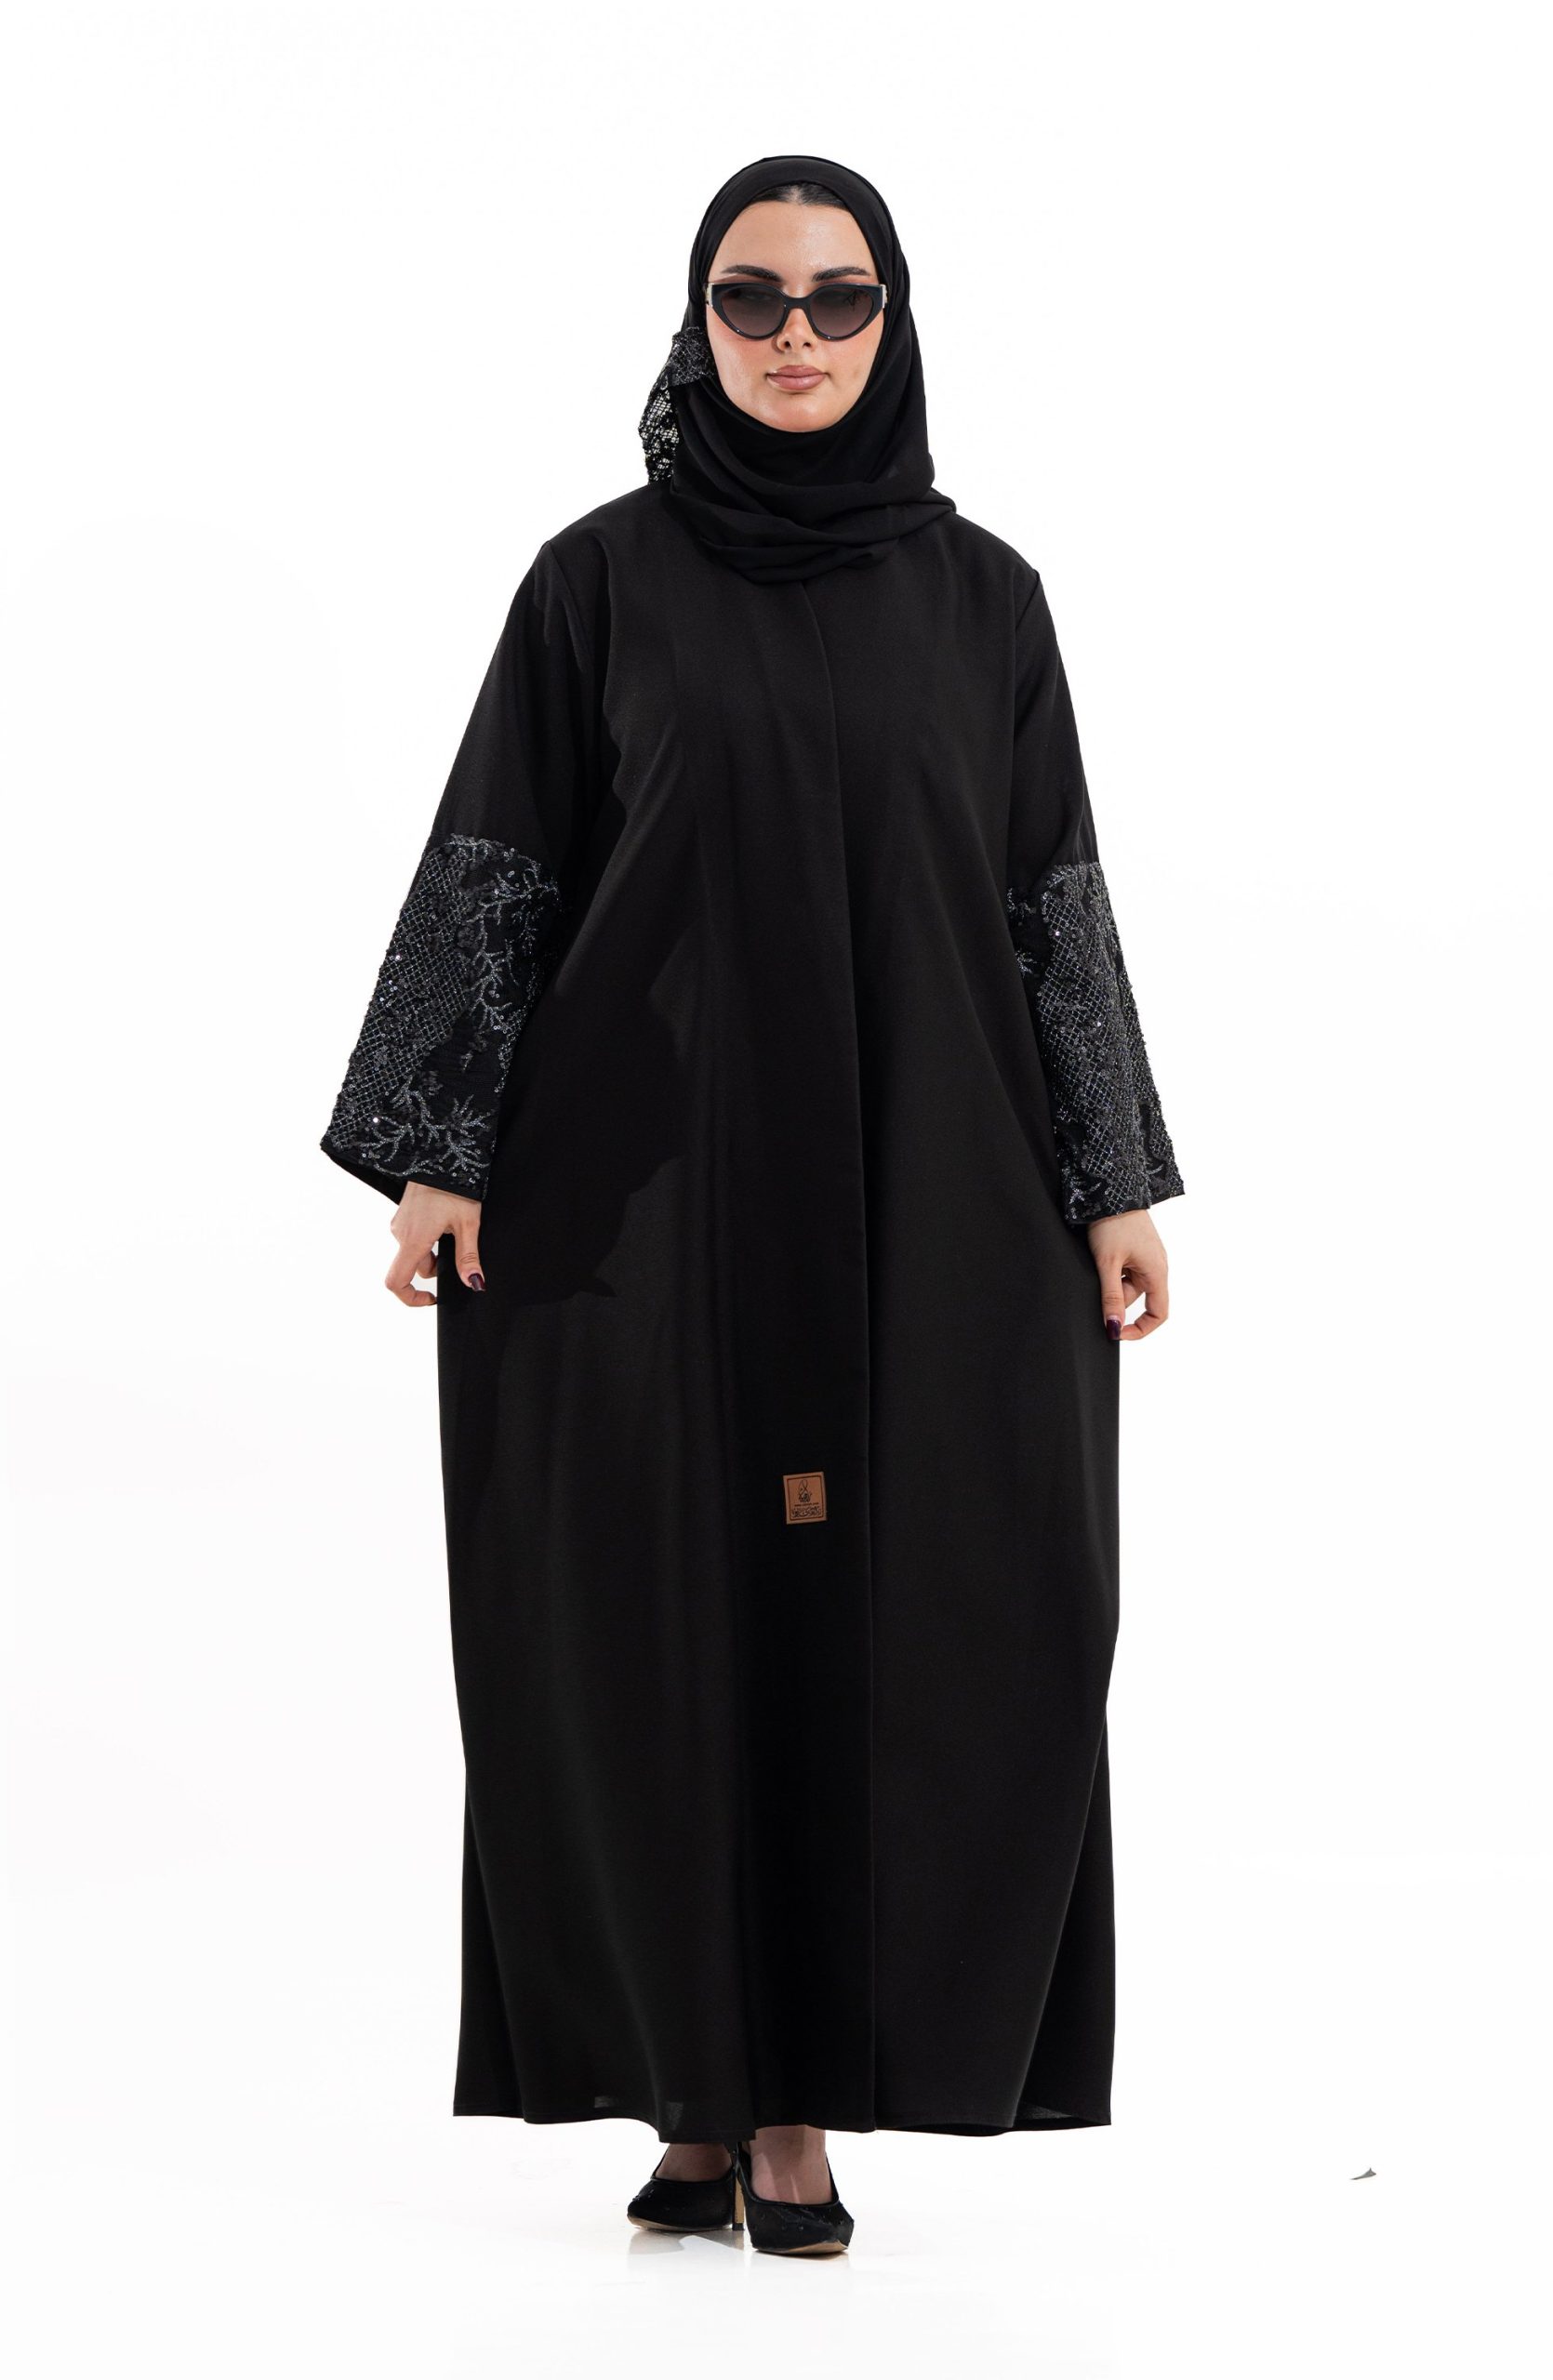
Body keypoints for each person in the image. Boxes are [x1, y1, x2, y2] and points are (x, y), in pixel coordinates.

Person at [322, 152, 1185, 2259]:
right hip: (638, 1205)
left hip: (934, 1187)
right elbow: (501, 857)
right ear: (695, 320)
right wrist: (442, 1145)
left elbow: (1047, 894)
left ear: (896, 319)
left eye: (837, 298)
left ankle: (800, 2108)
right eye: (750, 298)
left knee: (923, 1616)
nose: (794, 337)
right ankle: (695, 2094)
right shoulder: (596, 584)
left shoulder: (986, 601)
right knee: (645, 1623)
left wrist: (1110, 1184)